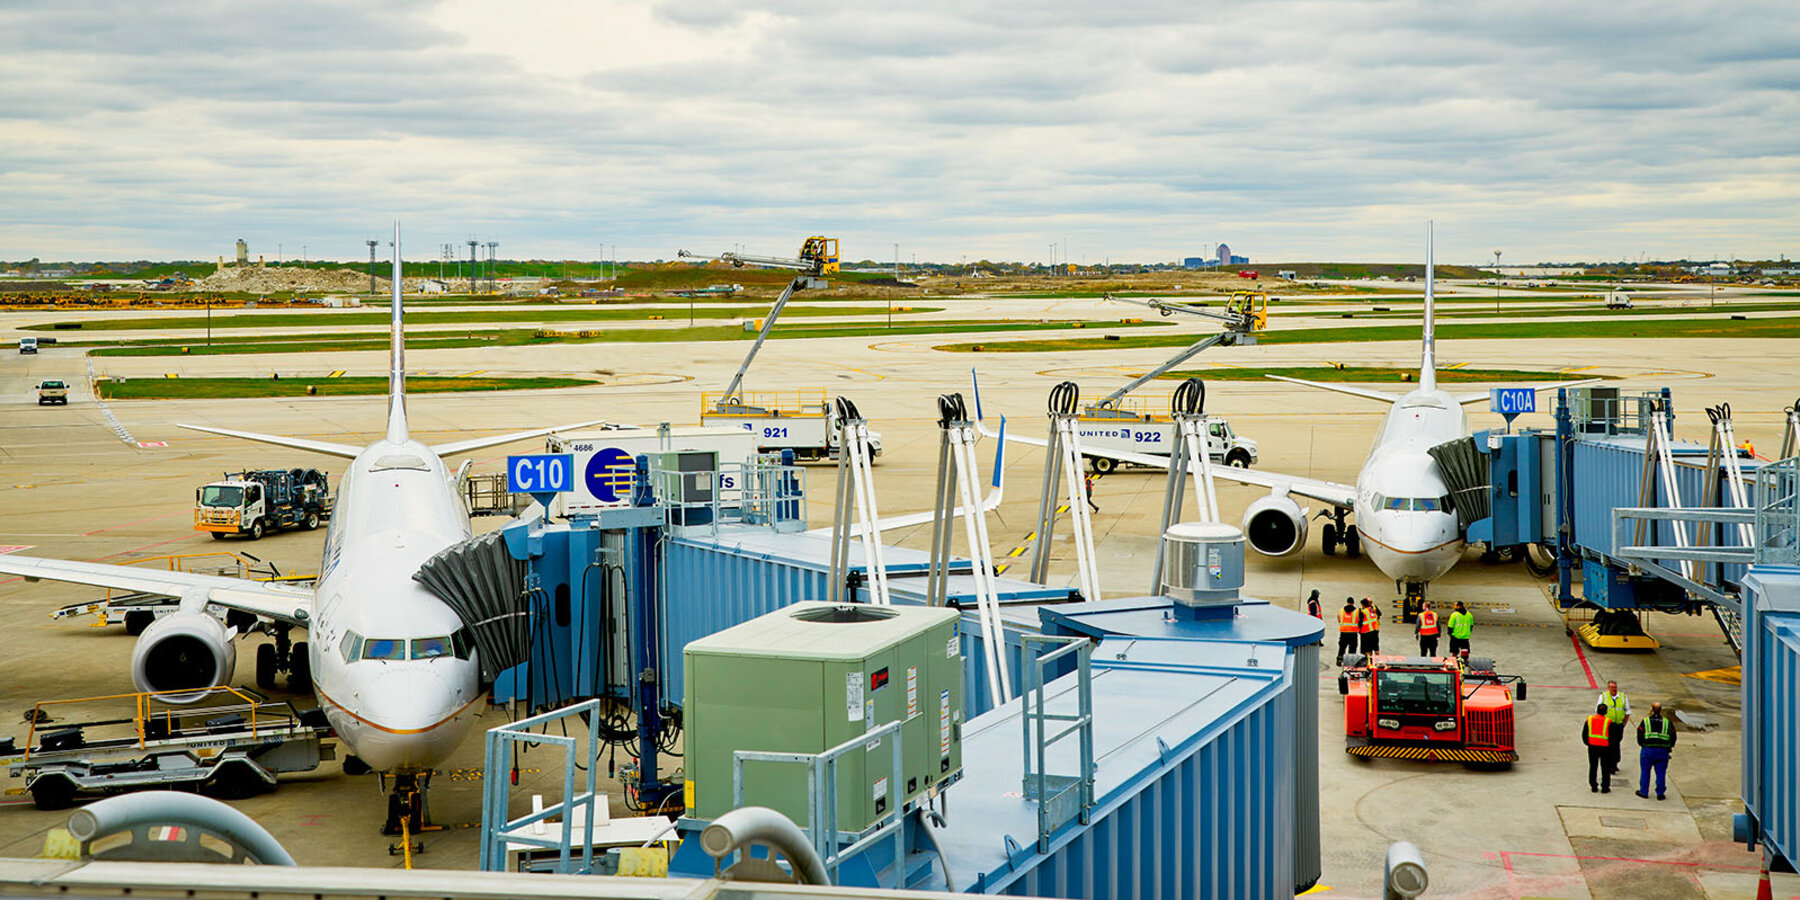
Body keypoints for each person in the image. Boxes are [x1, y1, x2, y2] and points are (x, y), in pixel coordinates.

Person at [1635, 702, 1677, 800]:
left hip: (1648, 750)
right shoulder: (1667, 722)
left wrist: (1643, 744)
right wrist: (1669, 747)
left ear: (1652, 710)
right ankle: (1660, 793)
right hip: (1662, 751)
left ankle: (1644, 791)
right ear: (1661, 710)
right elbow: (1673, 736)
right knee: (1661, 772)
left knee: (1645, 771)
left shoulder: (1645, 721)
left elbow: (1640, 734)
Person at [1599, 681, 1632, 776]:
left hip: (1618, 725)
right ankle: (1611, 764)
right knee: (1608, 744)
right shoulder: (1603, 697)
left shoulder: (1622, 697)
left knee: (1616, 744)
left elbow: (1627, 712)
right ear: (1608, 688)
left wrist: (1623, 723)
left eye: (1615, 687)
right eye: (1612, 687)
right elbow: (1599, 710)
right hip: (1607, 725)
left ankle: (1615, 762)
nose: (1614, 689)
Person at [1583, 702, 1617, 793]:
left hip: (1592, 747)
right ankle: (1605, 787)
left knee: (1593, 766)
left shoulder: (1589, 720)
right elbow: (1612, 737)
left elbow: (1584, 734)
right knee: (1605, 767)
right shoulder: (1609, 722)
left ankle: (1593, 786)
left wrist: (1588, 743)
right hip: (1605, 748)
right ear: (1606, 712)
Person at [1335, 599, 1360, 665]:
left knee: (1342, 647)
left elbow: (1339, 619)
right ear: (1353, 603)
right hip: (1353, 633)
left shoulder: (1341, 610)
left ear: (1347, 602)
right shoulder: (1357, 611)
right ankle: (1351, 662)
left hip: (1343, 632)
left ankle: (1339, 660)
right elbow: (1359, 620)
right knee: (1352, 648)